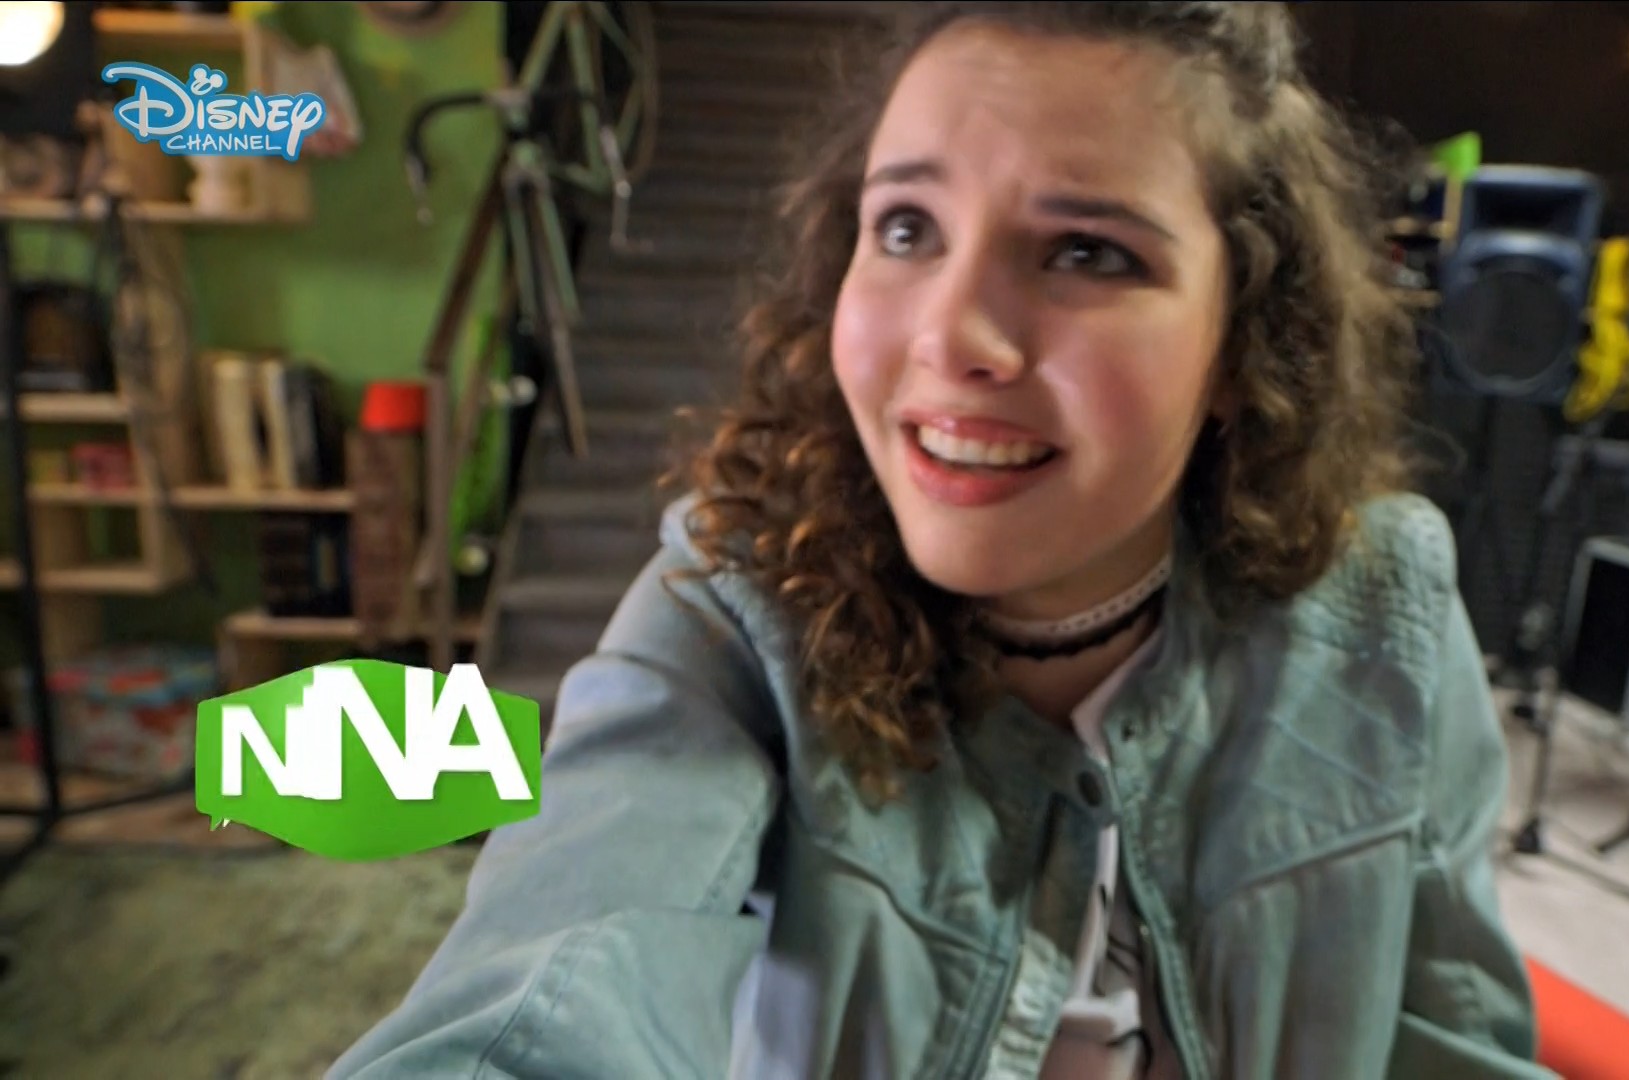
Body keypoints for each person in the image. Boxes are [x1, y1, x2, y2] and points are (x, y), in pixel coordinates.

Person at [331, 3, 1553, 1077]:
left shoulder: (1384, 608)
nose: (953, 335)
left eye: (1087, 252)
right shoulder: (736, 608)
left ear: (1242, 341)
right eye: (908, 228)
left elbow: (1449, 1044)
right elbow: (552, 976)